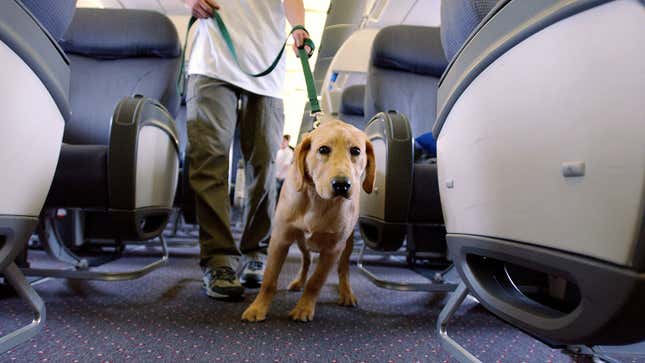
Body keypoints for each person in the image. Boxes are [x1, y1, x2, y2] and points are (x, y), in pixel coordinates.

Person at [184, 0, 311, 298]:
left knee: (265, 164)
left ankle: (256, 251)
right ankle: (218, 260)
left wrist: (299, 26)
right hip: (213, 60)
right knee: (209, 162)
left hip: (267, 69)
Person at [274, 134, 294, 200]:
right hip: (275, 175)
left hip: (281, 177)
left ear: (287, 142)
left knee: (276, 195)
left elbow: (286, 165)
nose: (282, 142)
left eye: (284, 141)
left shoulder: (289, 152)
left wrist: (280, 175)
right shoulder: (279, 150)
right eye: (281, 140)